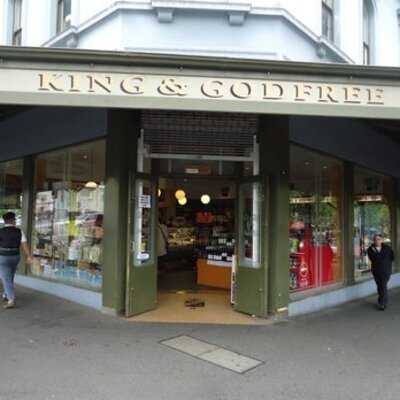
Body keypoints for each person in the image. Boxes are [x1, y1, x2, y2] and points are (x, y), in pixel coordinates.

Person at [0, 212, 33, 309]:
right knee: (9, 276)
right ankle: (6, 294)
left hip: (3, 257)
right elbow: (25, 244)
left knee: (6, 278)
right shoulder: (19, 231)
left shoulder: (0, 231)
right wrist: (29, 256)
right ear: (13, 220)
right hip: (15, 256)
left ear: (4, 221)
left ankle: (11, 299)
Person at [367, 234, 395, 311]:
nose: (377, 241)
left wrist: (385, 264)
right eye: (375, 239)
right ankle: (381, 301)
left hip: (386, 270)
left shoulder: (387, 248)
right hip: (376, 270)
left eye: (378, 239)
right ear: (373, 241)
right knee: (380, 286)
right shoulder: (370, 249)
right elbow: (371, 258)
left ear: (382, 240)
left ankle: (383, 303)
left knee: (383, 285)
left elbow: (392, 257)